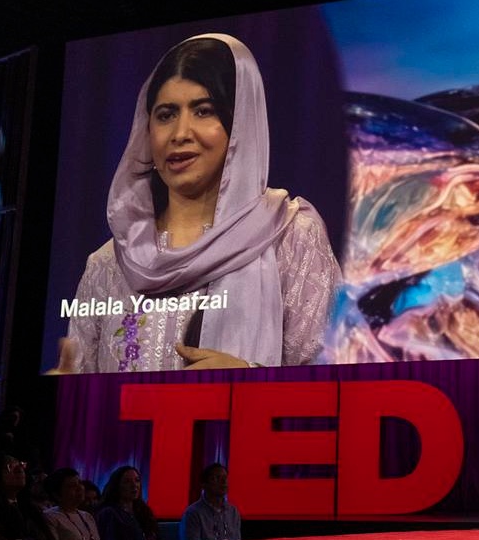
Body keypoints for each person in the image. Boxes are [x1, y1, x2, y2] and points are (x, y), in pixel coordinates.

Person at [55, 34, 341, 373]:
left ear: (239, 123)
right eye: (165, 115)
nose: (180, 133)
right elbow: (79, 390)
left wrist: (250, 381)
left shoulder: (289, 237)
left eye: (203, 111)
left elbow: (336, 378)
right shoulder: (108, 265)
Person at [42, 469, 109, 540]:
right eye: (72, 486)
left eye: (80, 483)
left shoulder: (87, 516)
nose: (80, 488)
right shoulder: (50, 516)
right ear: (57, 495)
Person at [96, 466, 158, 540]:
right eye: (127, 482)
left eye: (137, 480)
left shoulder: (144, 511)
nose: (134, 485)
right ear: (117, 486)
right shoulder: (109, 513)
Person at [179, 463, 241, 540]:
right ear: (204, 485)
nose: (223, 482)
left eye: (225, 477)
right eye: (217, 478)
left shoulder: (233, 511)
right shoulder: (193, 513)